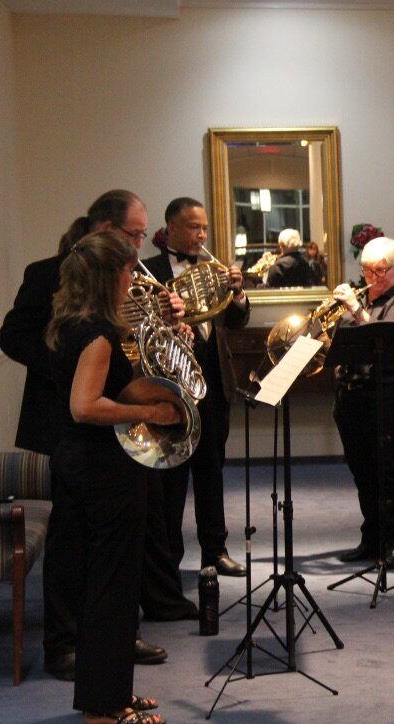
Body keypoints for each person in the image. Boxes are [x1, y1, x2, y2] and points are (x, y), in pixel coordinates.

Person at [0, 190, 191, 682]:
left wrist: (170, 324)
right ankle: (66, 643)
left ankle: (117, 635)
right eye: (134, 235)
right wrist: (73, 371)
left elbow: (134, 347)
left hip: (119, 431)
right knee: (74, 545)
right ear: (106, 230)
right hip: (77, 430)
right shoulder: (53, 280)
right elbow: (15, 338)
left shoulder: (118, 297)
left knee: (123, 544)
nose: (140, 248)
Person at [44, 230, 171, 724]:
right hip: (103, 469)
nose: (132, 280)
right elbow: (85, 406)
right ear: (112, 275)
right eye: (129, 270)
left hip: (79, 463)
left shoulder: (70, 324)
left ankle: (111, 695)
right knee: (111, 588)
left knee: (104, 584)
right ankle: (103, 708)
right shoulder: (97, 334)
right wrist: (151, 413)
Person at [142, 197, 249, 578]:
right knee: (171, 478)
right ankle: (168, 559)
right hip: (171, 388)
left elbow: (234, 322)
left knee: (211, 472)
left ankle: (215, 551)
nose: (201, 235)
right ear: (170, 228)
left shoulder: (213, 270)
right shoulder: (150, 271)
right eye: (193, 227)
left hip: (214, 385)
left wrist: (238, 295)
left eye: (204, 227)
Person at [331, 237, 394, 566]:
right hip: (353, 397)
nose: (373, 277)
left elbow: (383, 339)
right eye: (368, 270)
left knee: (393, 472)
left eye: (381, 270)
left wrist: (356, 311)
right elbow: (338, 343)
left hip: (392, 397)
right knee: (363, 473)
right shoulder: (358, 298)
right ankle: (372, 539)